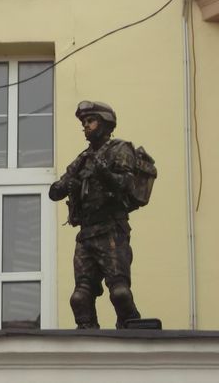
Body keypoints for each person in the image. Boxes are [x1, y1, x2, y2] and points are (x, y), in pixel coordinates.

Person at [49, 101, 141, 329]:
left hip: (112, 231)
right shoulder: (82, 159)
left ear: (105, 123)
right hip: (86, 235)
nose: (86, 126)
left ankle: (132, 330)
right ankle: (86, 336)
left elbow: (127, 184)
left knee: (120, 293)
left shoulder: (120, 149)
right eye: (84, 122)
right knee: (79, 298)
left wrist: (104, 172)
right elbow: (54, 192)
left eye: (91, 121)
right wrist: (69, 183)